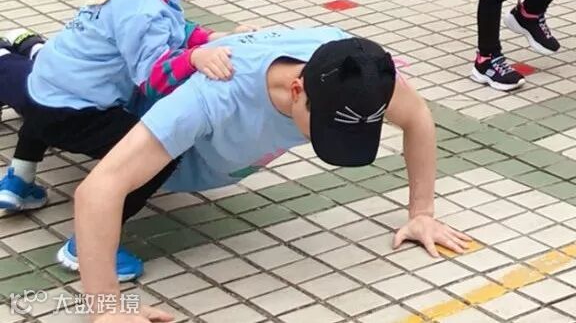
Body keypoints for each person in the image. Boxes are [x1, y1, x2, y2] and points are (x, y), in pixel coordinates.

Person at [68, 27, 469, 323]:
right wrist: (107, 309)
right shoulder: (214, 95)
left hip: (211, 151)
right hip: (140, 133)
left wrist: (422, 213)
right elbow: (96, 190)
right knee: (61, 120)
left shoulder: (357, 71)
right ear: (297, 91)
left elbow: (418, 116)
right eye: (327, 129)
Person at [0, 0, 239, 279]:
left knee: (56, 87)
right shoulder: (142, 9)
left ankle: (19, 180)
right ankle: (86, 247)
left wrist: (208, 38)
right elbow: (154, 78)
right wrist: (194, 58)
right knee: (160, 152)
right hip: (71, 113)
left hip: (45, 90)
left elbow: (174, 29)